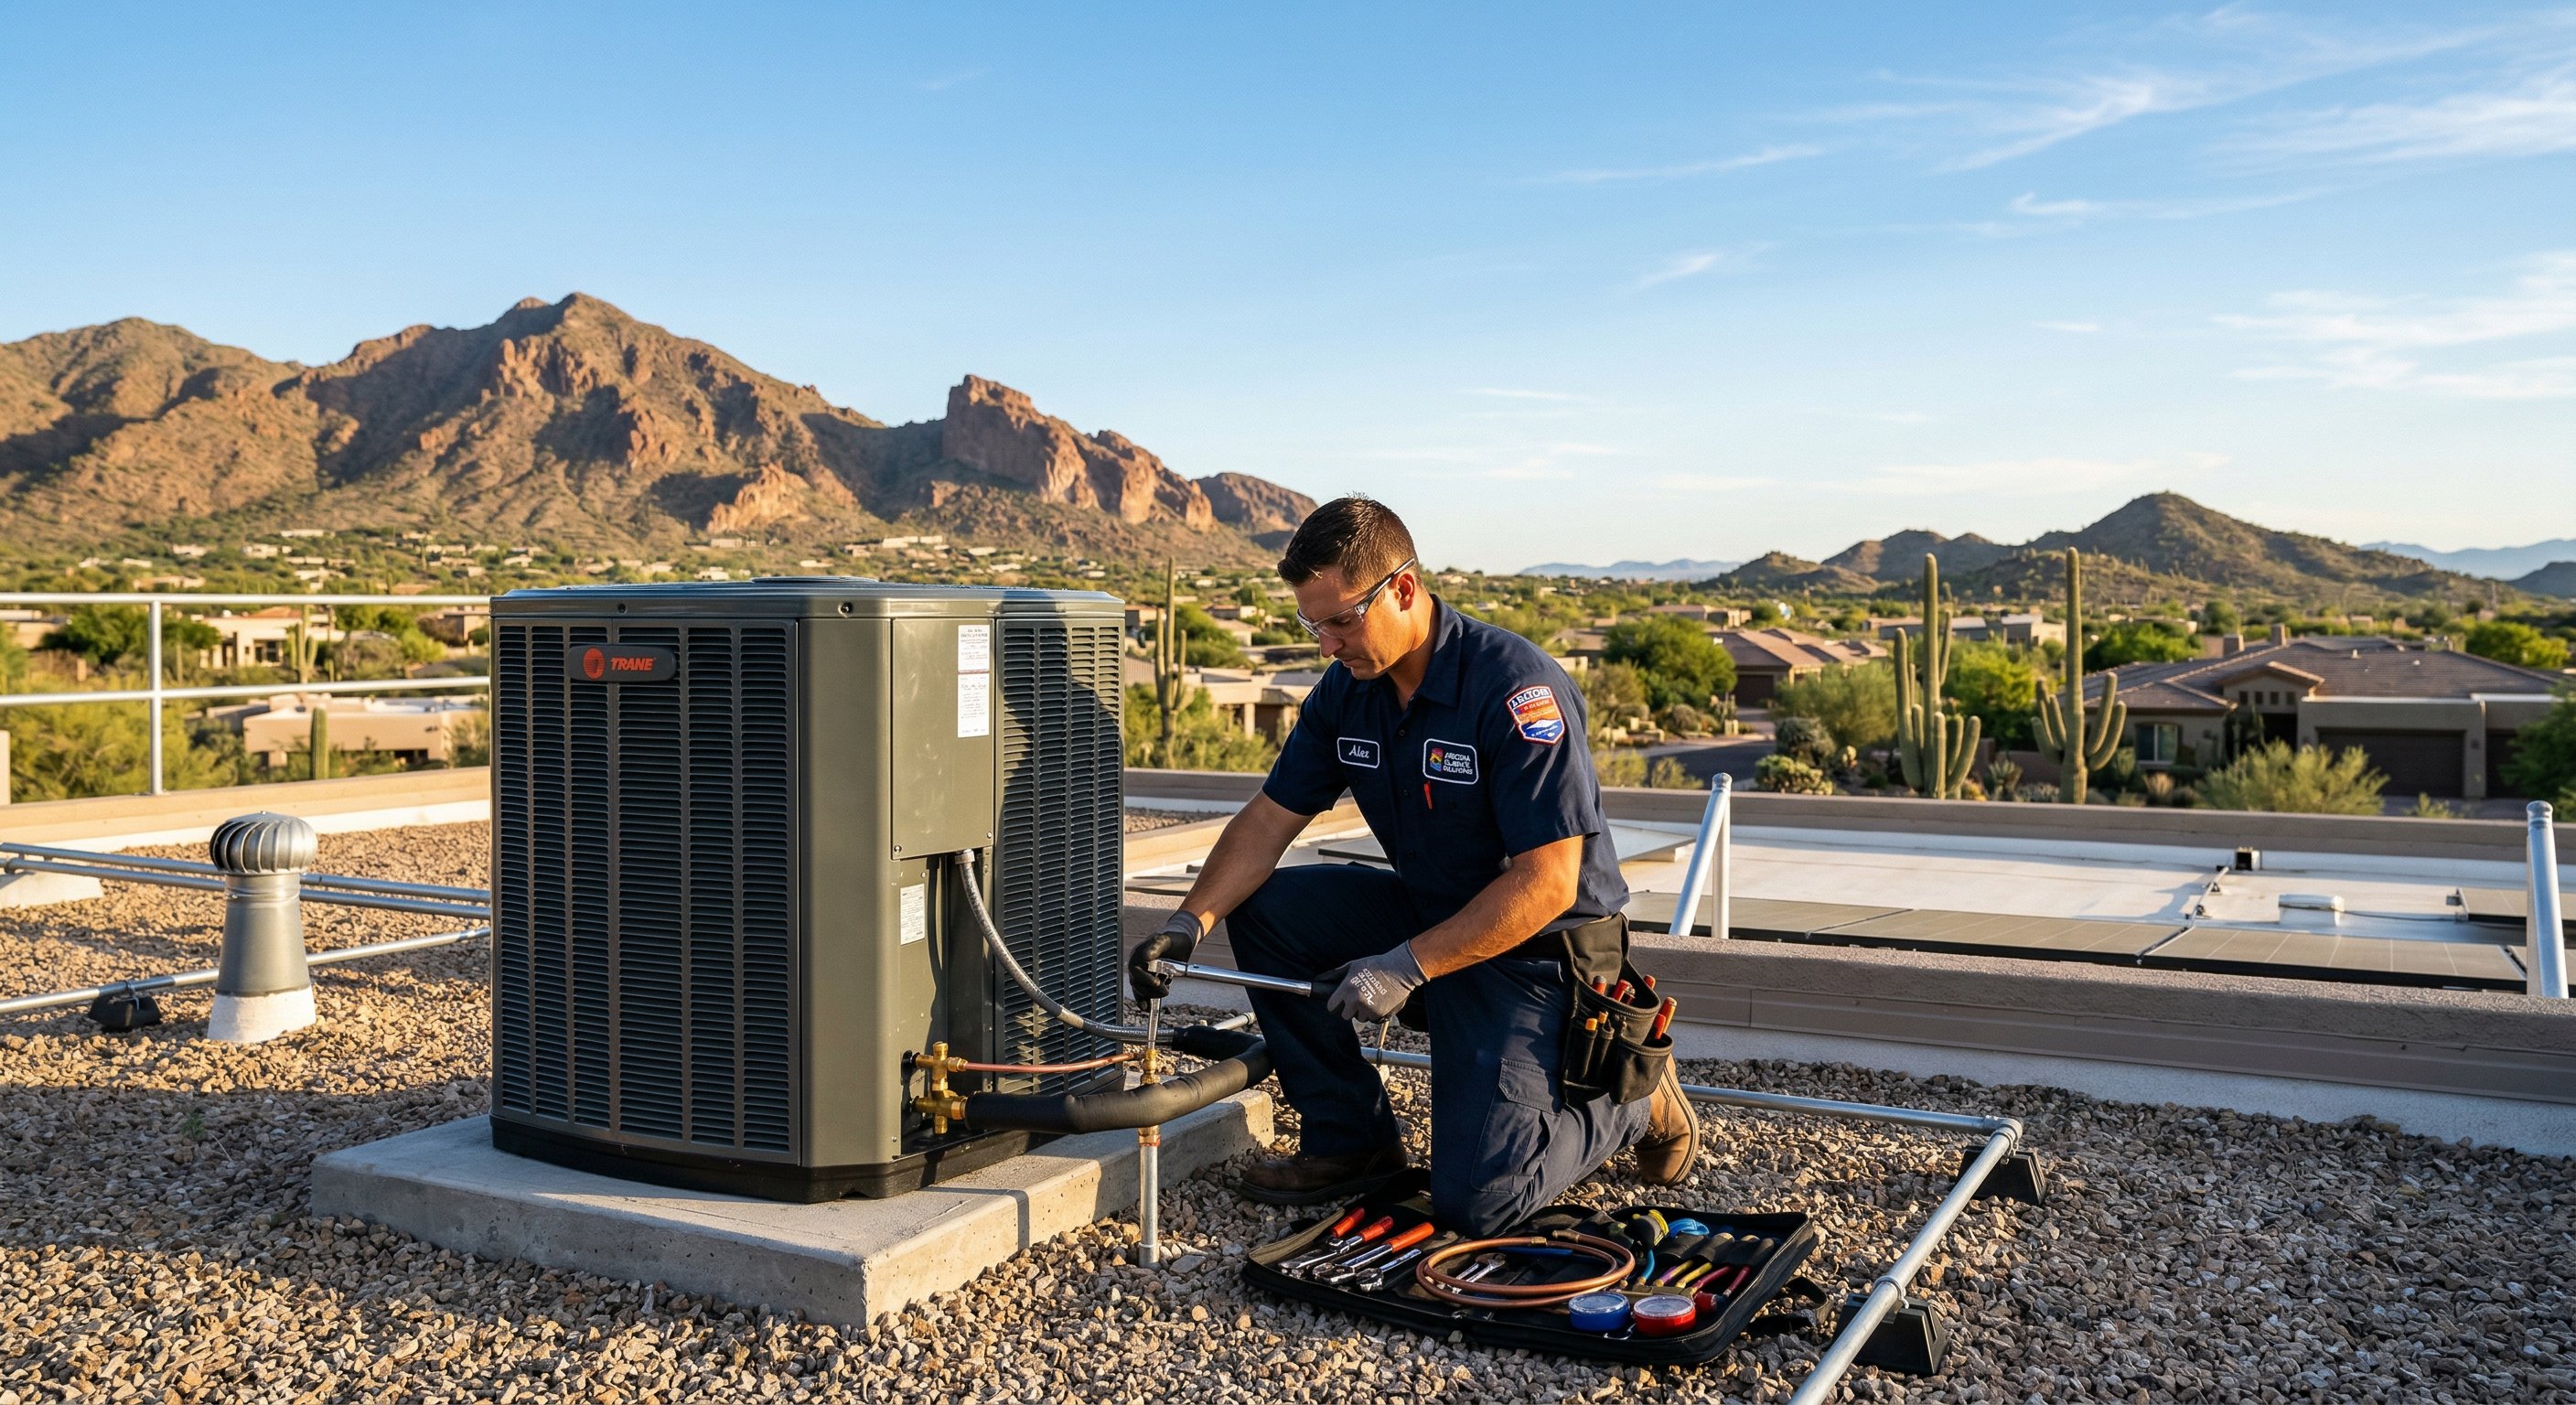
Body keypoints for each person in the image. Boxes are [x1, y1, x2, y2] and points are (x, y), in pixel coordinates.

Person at [1128, 497, 1698, 1235]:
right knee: (1266, 911)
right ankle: (1352, 1143)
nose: (1327, 644)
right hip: (1433, 918)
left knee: (1481, 1204)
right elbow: (1268, 820)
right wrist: (1186, 923)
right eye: (1313, 624)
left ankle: (1634, 1100)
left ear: (1402, 589)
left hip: (1541, 953)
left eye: (1340, 620)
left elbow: (1549, 882)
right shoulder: (1348, 691)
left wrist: (1405, 966)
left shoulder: (1514, 690)